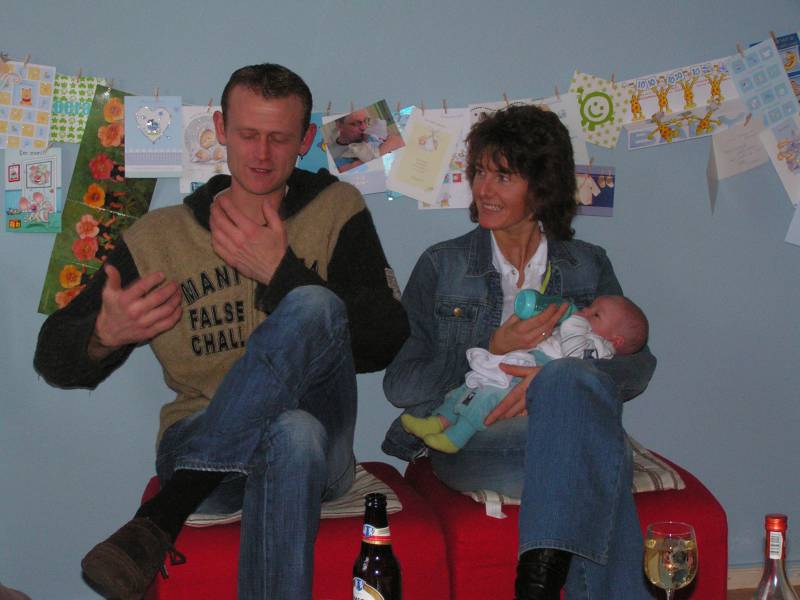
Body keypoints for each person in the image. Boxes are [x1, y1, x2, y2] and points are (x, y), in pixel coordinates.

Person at [34, 63, 408, 600]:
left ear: (305, 140)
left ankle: (166, 511)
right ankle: (193, 483)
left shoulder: (336, 209)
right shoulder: (159, 236)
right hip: (197, 434)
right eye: (248, 134)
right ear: (220, 129)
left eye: (279, 138)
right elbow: (51, 356)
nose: (262, 154)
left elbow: (386, 340)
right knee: (290, 429)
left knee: (311, 315)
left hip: (320, 449)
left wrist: (283, 274)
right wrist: (103, 336)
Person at [382, 104, 657, 599]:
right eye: (479, 172)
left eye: (503, 176)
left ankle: (537, 582)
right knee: (602, 447)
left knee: (569, 390)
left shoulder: (588, 265)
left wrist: (549, 386)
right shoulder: (443, 265)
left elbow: (637, 365)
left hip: (558, 429)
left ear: (542, 186)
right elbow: (400, 384)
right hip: (471, 437)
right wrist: (487, 346)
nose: (483, 189)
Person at [402, 295, 649, 454]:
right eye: (589, 307)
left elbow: (578, 360)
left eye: (595, 314)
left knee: (489, 395)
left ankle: (456, 437)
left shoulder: (599, 347)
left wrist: (550, 378)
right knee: (469, 387)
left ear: (616, 340)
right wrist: (496, 346)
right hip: (521, 363)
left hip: (537, 382)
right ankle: (438, 421)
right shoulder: (443, 258)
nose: (585, 311)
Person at [328, 108, 403, 173]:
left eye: (365, 121)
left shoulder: (370, 136)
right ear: (339, 125)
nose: (364, 127)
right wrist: (385, 148)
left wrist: (371, 157)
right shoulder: (331, 155)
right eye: (355, 123)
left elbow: (398, 141)